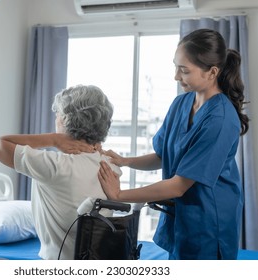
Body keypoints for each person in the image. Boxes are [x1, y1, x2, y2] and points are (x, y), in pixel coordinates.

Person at [97, 29, 249, 260]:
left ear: (212, 72)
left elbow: (179, 185)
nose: (176, 77)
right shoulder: (181, 103)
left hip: (207, 222)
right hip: (181, 217)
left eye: (184, 70)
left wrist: (118, 195)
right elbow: (163, 155)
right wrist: (124, 161)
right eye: (176, 67)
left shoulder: (220, 119)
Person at [0, 84, 121, 260]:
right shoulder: (111, 165)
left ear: (66, 120)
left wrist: (53, 139)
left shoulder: (55, 165)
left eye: (58, 115)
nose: (56, 118)